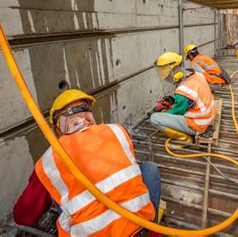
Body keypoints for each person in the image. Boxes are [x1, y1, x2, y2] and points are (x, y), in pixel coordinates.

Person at [13, 89, 161, 236]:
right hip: (141, 230)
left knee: (61, 191)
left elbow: (22, 216)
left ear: (59, 125)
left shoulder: (49, 161)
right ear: (89, 114)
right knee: (149, 168)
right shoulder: (117, 131)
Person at [151, 52, 215, 148]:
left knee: (155, 119)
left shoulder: (184, 90)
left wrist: (162, 110)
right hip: (208, 115)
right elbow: (189, 100)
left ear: (172, 72)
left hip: (199, 124)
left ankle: (185, 140)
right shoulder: (197, 75)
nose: (166, 78)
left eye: (167, 75)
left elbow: (175, 113)